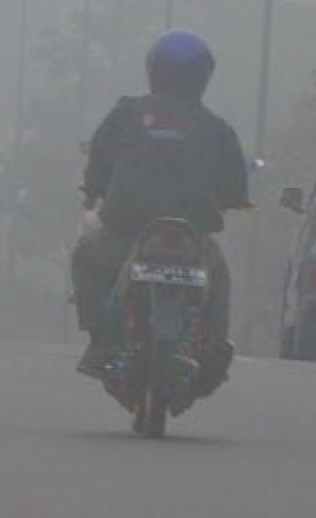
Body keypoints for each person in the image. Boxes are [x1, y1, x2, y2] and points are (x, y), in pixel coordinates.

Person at [71, 30, 251, 382]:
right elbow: (234, 185)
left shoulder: (127, 112)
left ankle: (100, 341)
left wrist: (93, 191)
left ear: (153, 70)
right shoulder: (216, 128)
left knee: (85, 256)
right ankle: (214, 346)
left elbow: (99, 158)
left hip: (125, 223)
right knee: (218, 277)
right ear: (204, 77)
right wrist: (234, 202)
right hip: (192, 230)